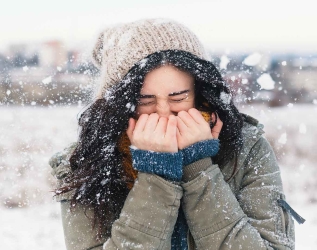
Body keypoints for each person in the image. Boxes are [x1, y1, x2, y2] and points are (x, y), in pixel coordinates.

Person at [49, 18, 302, 250]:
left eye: (178, 97)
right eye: (145, 100)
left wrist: (199, 168)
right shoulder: (85, 166)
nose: (164, 113)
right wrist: (156, 176)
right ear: (120, 104)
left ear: (200, 92)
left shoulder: (246, 150)